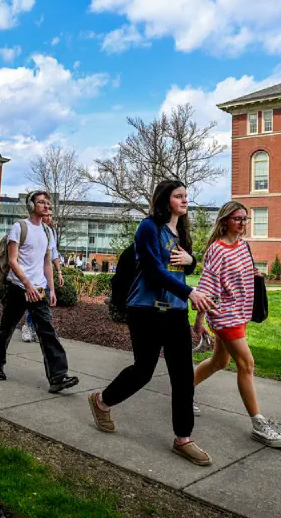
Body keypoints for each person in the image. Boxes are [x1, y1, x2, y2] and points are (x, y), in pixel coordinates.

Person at [87, 180, 215, 466]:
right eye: (178, 196)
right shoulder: (148, 227)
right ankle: (101, 401)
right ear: (164, 200)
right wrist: (191, 292)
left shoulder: (181, 230)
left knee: (182, 375)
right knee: (143, 370)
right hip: (145, 310)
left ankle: (184, 438)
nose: (185, 201)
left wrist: (191, 260)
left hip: (176, 311)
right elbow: (154, 270)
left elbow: (184, 266)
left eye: (186, 196)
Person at [193, 201, 281, 449]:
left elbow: (242, 273)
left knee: (219, 362)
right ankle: (259, 425)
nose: (242, 223)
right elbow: (207, 286)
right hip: (224, 315)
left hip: (240, 313)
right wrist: (199, 320)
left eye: (245, 219)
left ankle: (183, 391)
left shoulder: (243, 246)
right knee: (246, 364)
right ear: (225, 220)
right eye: (237, 219)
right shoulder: (217, 249)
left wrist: (254, 276)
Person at [0, 191, 80, 393]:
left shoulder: (48, 232)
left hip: (38, 290)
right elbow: (13, 261)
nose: (46, 206)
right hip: (18, 288)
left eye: (48, 203)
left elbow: (47, 262)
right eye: (41, 202)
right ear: (31, 206)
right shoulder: (19, 228)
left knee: (48, 332)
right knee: (6, 328)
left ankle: (58, 376)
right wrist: (27, 285)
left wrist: (51, 288)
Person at [22, 213, 65, 343]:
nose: (48, 217)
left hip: (43, 275)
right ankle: (28, 327)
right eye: (46, 215)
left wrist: (59, 272)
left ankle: (34, 328)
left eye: (50, 215)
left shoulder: (50, 232)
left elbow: (54, 254)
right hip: (30, 274)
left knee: (40, 301)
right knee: (32, 301)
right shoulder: (29, 229)